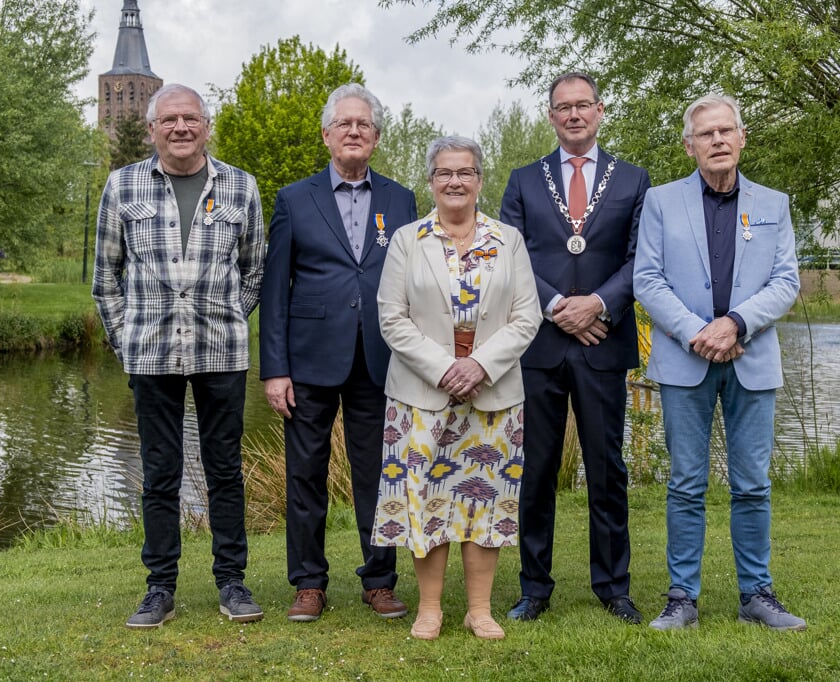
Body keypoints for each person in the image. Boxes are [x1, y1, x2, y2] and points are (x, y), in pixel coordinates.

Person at [92, 83, 265, 629]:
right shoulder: (122, 186)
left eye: (191, 118)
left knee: (225, 472)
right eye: (169, 120)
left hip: (222, 352)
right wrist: (127, 339)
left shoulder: (241, 186)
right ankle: (159, 588)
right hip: (151, 355)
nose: (181, 128)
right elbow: (104, 277)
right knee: (160, 473)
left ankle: (232, 583)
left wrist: (229, 314)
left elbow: (254, 267)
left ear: (206, 126)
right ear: (151, 130)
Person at [634, 94, 805, 631]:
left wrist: (735, 323)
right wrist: (696, 332)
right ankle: (682, 598)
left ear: (742, 136)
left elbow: (786, 282)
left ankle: (757, 594)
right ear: (690, 145)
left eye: (725, 131)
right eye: (705, 134)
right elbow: (647, 279)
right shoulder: (661, 202)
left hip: (751, 357)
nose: (717, 141)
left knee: (752, 483)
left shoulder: (773, 204)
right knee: (686, 482)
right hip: (686, 360)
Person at [372, 136, 541, 640]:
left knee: (485, 502)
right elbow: (392, 318)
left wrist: (480, 366)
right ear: (431, 181)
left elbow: (527, 316)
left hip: (493, 392)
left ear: (479, 180)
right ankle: (429, 609)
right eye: (445, 172)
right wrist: (446, 368)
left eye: (465, 172)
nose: (455, 181)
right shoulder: (408, 239)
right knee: (425, 499)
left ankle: (479, 609)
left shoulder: (506, 239)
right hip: (421, 394)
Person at [260, 83, 417, 622]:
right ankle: (308, 583)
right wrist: (275, 369)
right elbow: (274, 290)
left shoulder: (402, 200)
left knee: (379, 473)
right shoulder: (293, 199)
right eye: (344, 124)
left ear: (375, 138)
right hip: (307, 362)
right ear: (327, 135)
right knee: (305, 474)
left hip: (381, 359)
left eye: (364, 125)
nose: (354, 131)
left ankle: (379, 580)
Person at [500, 72, 651, 624]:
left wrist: (599, 305)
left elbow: (641, 259)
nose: (573, 115)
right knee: (535, 470)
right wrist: (560, 306)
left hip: (603, 343)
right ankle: (534, 589)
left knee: (607, 469)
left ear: (600, 110)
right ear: (550, 116)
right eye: (562, 107)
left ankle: (613, 586)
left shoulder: (635, 180)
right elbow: (510, 255)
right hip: (539, 344)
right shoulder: (522, 180)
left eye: (582, 105)